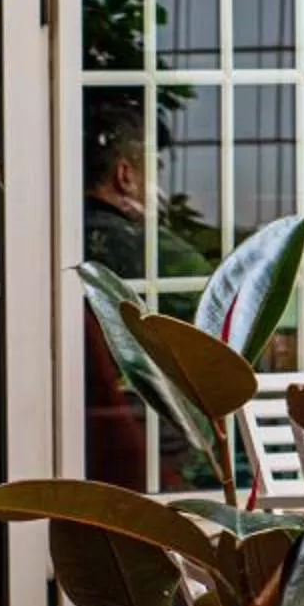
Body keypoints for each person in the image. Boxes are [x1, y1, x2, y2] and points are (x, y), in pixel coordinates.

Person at [81, 91, 208, 487]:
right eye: (155, 169)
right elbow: (222, 327)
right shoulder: (153, 253)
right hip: (156, 448)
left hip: (86, 440)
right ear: (126, 176)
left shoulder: (58, 243)